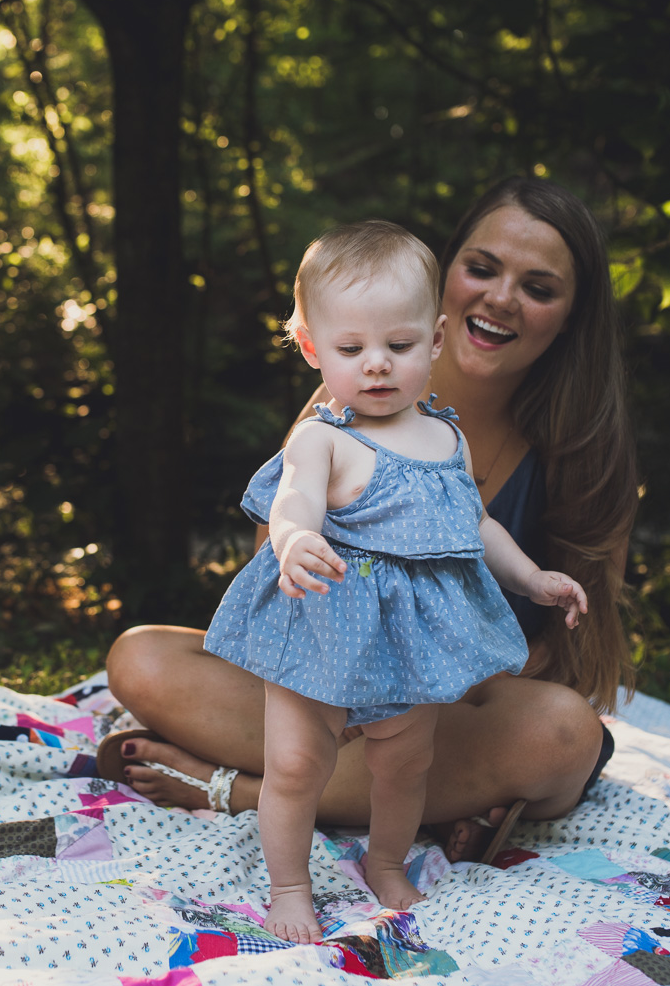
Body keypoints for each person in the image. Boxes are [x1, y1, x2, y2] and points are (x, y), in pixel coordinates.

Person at [101, 176, 638, 914]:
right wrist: (302, 556)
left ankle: (234, 788)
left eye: (538, 286)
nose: (501, 298)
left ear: (571, 314)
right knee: (140, 654)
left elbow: (563, 637)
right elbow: (280, 540)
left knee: (560, 732)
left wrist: (457, 654)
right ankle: (384, 801)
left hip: (457, 693)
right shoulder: (342, 400)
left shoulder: (573, 446)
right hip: (325, 652)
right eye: (482, 268)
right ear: (447, 277)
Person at [199, 220, 589, 942]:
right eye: (351, 349)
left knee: (406, 763)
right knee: (294, 764)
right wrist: (294, 538)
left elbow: (474, 526)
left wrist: (532, 578)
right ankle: (289, 886)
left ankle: (385, 864)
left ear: (435, 340)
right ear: (313, 347)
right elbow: (292, 500)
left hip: (412, 645)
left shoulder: (446, 435)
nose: (376, 365)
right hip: (320, 633)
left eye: (399, 346)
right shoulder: (322, 436)